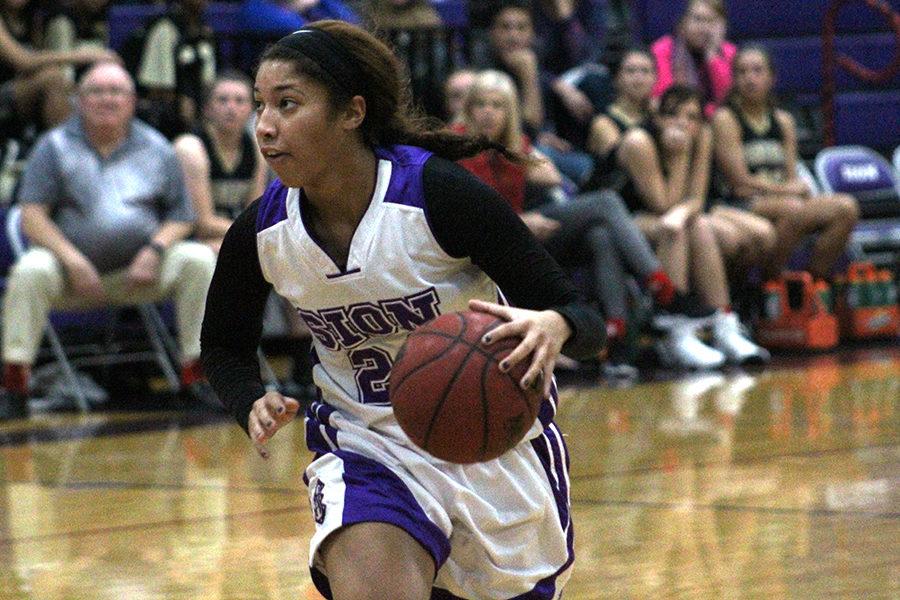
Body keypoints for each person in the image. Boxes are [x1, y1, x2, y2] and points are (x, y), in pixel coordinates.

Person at [200, 21, 606, 599]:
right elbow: (221, 342)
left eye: (287, 105)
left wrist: (556, 324)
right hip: (369, 448)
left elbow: (582, 316)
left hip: (495, 448)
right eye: (261, 105)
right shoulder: (264, 231)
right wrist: (249, 398)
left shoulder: (436, 196)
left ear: (352, 112)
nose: (264, 126)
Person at [456, 69, 715, 378]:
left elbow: (551, 175)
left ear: (510, 111)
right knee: (605, 202)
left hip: (522, 234)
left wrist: (526, 162)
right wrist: (524, 219)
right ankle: (662, 288)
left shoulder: (515, 144)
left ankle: (614, 332)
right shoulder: (458, 146)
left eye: (498, 106)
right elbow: (469, 216)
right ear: (469, 109)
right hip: (491, 242)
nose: (488, 113)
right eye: (481, 105)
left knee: (600, 235)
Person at [0, 61, 218, 420]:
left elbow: (182, 217)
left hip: (138, 274)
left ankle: (195, 377)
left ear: (132, 101)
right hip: (71, 276)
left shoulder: (157, 147)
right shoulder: (53, 146)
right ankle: (16, 385)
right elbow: (32, 216)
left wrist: (154, 250)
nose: (107, 99)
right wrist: (71, 259)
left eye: (116, 92)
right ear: (79, 100)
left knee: (197, 259)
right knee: (29, 269)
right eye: (96, 91)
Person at [617, 85, 769, 367]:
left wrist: (683, 212)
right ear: (658, 118)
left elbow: (696, 200)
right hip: (621, 221)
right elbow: (662, 203)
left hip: (666, 217)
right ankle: (675, 333)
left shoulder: (702, 136)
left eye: (692, 117)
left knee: (695, 224)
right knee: (675, 228)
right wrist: (679, 157)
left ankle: (724, 326)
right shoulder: (639, 141)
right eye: (674, 115)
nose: (683, 124)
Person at [712, 46, 859, 281]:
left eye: (757, 71)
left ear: (772, 77)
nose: (750, 78)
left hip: (782, 199)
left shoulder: (784, 121)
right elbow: (739, 183)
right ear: (734, 79)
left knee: (846, 208)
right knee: (793, 206)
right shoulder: (726, 119)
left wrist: (792, 189)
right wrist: (786, 190)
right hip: (740, 203)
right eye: (742, 72)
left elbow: (792, 176)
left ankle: (814, 281)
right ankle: (770, 281)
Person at [174, 71, 268, 252]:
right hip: (190, 243)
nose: (231, 108)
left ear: (251, 109)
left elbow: (254, 214)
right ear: (207, 108)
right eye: (223, 100)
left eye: (239, 101)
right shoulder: (191, 148)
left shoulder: (257, 149)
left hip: (232, 238)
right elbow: (203, 223)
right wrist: (250, 236)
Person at [0, 0, 116, 132]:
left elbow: (41, 57)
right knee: (52, 78)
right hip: (5, 92)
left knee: (68, 84)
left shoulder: (31, 17)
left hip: (22, 87)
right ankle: (67, 148)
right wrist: (82, 56)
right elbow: (24, 61)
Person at [132, 0, 217, 138]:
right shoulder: (164, 29)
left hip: (202, 110)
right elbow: (156, 88)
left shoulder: (205, 31)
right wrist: (181, 102)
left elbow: (210, 81)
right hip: (169, 119)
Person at [651, 0, 735, 118]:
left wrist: (712, 57)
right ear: (683, 22)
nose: (704, 28)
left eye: (711, 22)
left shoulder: (729, 52)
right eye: (698, 19)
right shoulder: (663, 49)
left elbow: (729, 101)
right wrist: (708, 112)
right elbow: (665, 99)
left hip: (715, 122)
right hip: (674, 119)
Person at [585, 47, 656, 189]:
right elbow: (625, 170)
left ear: (655, 78)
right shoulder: (603, 123)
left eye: (645, 71)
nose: (639, 78)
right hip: (611, 197)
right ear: (616, 78)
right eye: (631, 71)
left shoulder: (657, 116)